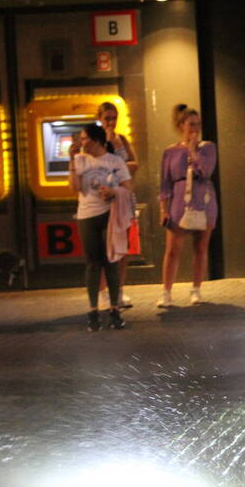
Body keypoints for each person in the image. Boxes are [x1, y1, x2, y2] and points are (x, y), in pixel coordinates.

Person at [68, 123, 133, 331]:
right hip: (86, 214)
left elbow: (127, 189)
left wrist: (114, 192)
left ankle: (115, 309)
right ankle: (93, 310)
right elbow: (74, 188)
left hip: (109, 214)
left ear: (96, 140)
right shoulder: (79, 159)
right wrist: (71, 161)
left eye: (84, 138)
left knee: (111, 261)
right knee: (92, 263)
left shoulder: (114, 161)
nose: (81, 142)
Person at [157, 104, 218, 307]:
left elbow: (206, 171)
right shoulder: (170, 152)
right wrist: (163, 209)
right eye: (191, 124)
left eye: (198, 124)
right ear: (181, 125)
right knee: (173, 249)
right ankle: (166, 292)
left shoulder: (207, 148)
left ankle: (196, 289)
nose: (195, 128)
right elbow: (165, 183)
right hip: (179, 200)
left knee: (201, 247)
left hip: (203, 198)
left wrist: (193, 151)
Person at [95, 101, 139, 311]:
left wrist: (119, 168)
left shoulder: (122, 139)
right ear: (100, 119)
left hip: (123, 197)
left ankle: (119, 290)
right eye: (107, 118)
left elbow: (135, 164)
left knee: (124, 247)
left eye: (114, 118)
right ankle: (104, 292)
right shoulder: (96, 141)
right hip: (104, 201)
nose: (111, 122)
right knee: (106, 248)